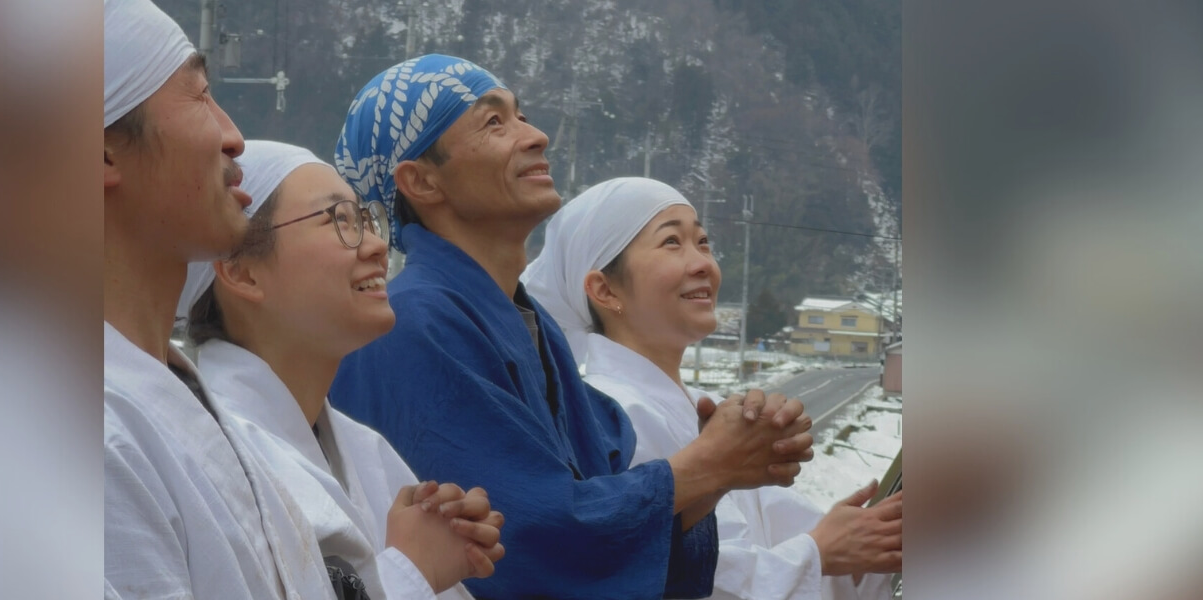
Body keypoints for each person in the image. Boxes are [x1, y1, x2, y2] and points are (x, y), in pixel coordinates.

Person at [329, 54, 817, 599]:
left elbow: (602, 497)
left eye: (521, 115)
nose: (536, 136)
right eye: (495, 123)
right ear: (421, 181)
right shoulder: (413, 323)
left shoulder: (532, 328)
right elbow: (521, 536)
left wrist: (723, 467)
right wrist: (707, 465)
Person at [521, 177, 903, 600]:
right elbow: (678, 577)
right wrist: (819, 555)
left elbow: (800, 538)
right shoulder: (609, 416)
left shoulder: (709, 410)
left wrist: (872, 537)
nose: (703, 262)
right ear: (604, 289)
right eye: (672, 242)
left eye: (703, 242)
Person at [177, 140, 507, 599]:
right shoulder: (204, 456)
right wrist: (415, 568)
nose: (374, 246)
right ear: (243, 274)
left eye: (365, 220)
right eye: (338, 221)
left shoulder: (365, 450)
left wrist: (443, 547)